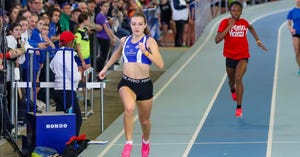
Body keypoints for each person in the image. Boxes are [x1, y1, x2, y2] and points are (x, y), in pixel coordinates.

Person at [98, 12, 164, 157]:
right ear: (130, 25)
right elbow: (117, 54)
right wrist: (104, 68)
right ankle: (128, 144)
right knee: (129, 108)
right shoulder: (124, 40)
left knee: (145, 121)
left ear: (145, 25)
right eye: (134, 24)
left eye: (140, 24)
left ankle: (146, 141)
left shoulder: (149, 42)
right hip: (127, 82)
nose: (137, 27)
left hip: (144, 85)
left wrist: (145, 52)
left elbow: (160, 64)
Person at [215, 1, 267, 117]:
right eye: (233, 10)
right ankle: (232, 89)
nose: (236, 12)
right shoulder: (224, 22)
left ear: (241, 11)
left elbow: (251, 27)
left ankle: (239, 107)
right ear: (230, 11)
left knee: (239, 79)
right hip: (230, 57)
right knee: (231, 81)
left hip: (243, 56)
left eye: (238, 10)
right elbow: (217, 39)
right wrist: (229, 26)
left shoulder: (244, 22)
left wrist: (258, 41)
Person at [50, 31, 82, 136]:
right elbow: (75, 77)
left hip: (58, 89)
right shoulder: (68, 55)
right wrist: (80, 73)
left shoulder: (58, 53)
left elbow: (51, 66)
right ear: (70, 42)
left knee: (62, 120)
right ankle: (72, 144)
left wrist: (60, 75)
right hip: (67, 91)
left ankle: (62, 142)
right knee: (77, 119)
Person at [287, 0, 300, 76]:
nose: (299, 1)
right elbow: (288, 24)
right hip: (296, 34)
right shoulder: (291, 11)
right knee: (297, 53)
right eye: (297, 0)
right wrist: (291, 29)